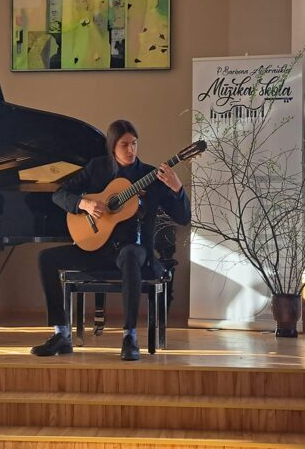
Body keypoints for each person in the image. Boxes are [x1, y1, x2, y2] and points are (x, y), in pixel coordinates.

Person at [31, 119, 191, 361]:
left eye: (134, 143)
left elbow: (183, 217)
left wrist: (178, 190)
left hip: (134, 250)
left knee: (130, 253)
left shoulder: (149, 176)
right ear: (112, 146)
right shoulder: (97, 168)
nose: (131, 149)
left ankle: (129, 337)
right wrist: (83, 203)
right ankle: (61, 333)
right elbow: (60, 194)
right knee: (46, 258)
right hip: (96, 250)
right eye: (124, 144)